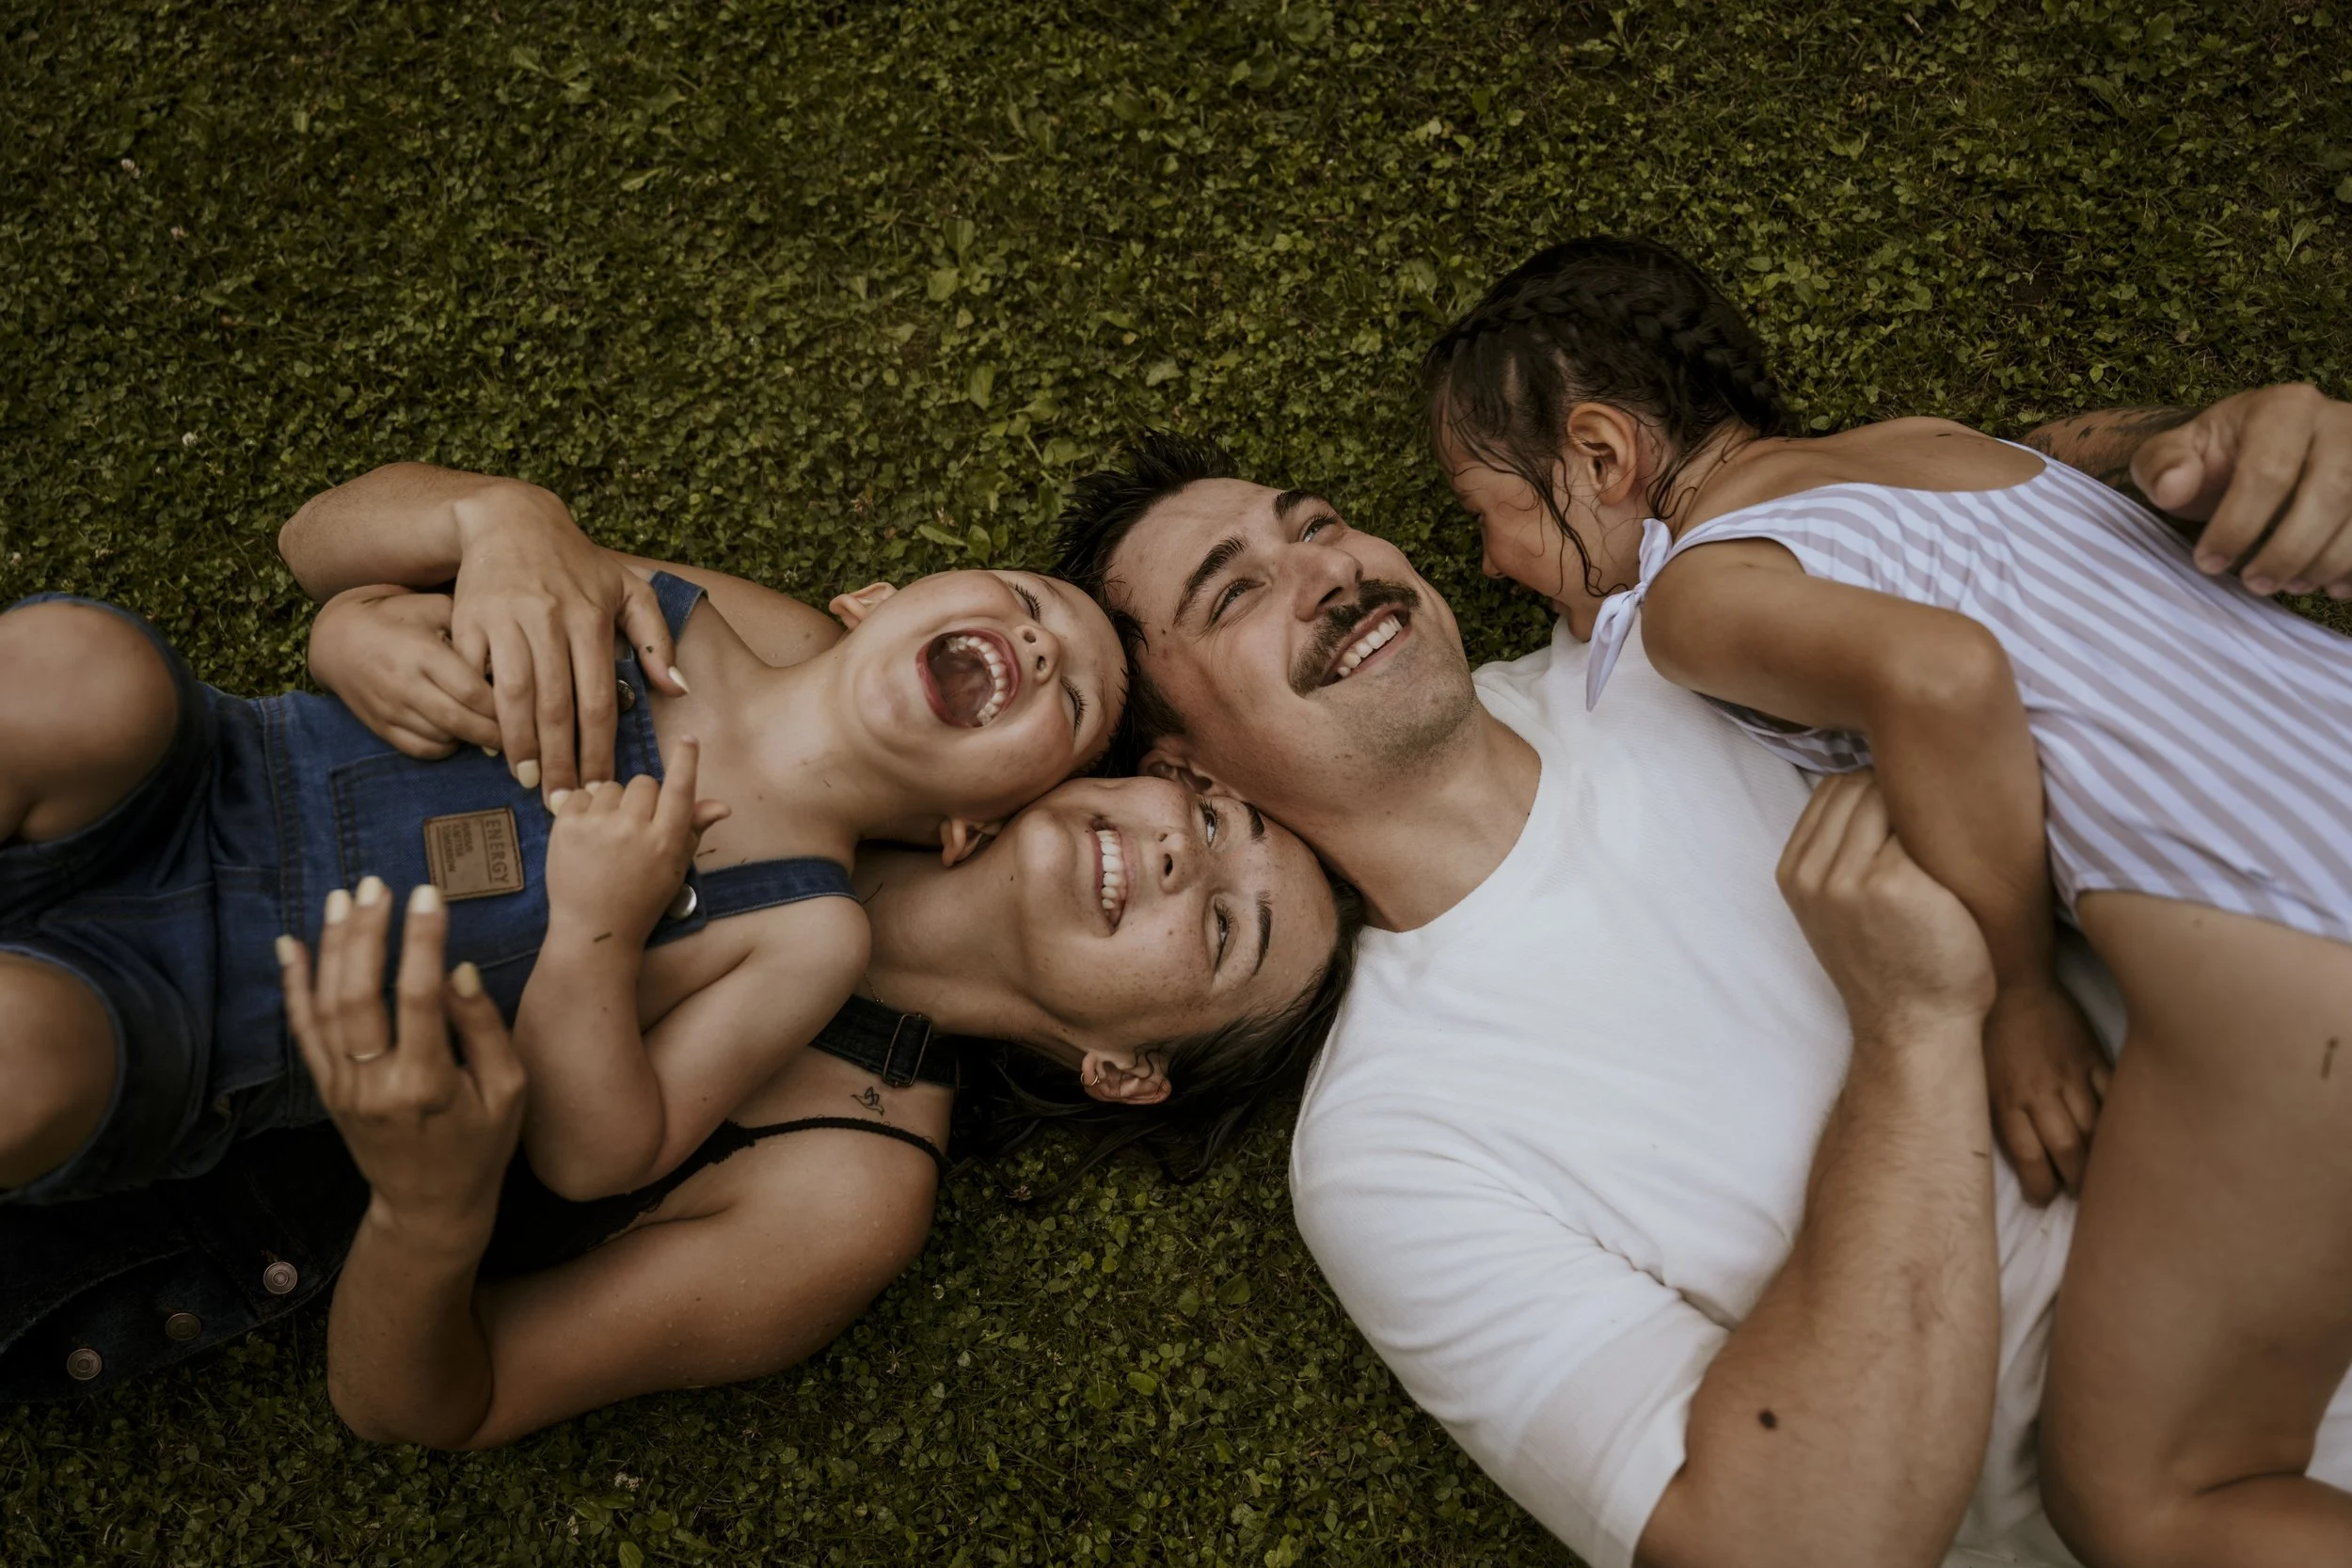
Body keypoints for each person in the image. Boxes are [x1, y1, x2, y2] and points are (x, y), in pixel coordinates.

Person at [1048, 373, 2352, 1568]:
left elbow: (1930, 481)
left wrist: (2189, 444)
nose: (1327, 570)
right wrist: (1914, 1030)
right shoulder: (1390, 1144)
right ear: (1187, 769)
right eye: (1234, 594)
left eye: (1317, 521)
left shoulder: (1659, 639)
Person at [1422, 236, 2352, 1568]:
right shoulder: (1944, 442)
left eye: (1484, 509)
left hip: (2279, 943)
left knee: (2153, 1499)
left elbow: (1945, 679)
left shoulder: (1704, 589)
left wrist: (2021, 995)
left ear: (1601, 452)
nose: (1496, 562)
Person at [1, 547, 1361, 1436]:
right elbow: (402, 564)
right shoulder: (761, 659)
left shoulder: (843, 1190)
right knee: (82, 681)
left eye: (1225, 930)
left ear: (1123, 1062)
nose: (1183, 847)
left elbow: (431, 1400)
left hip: (139, 1061)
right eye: (1197, 806)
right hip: (153, 795)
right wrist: (401, 592)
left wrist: (433, 1201)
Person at [0, 461, 1130, 1209]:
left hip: (204, 1017)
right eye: (1029, 601)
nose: (1038, 649)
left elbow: (598, 1155)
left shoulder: (806, 927)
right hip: (206, 781)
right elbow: (317, 541)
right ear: (875, 598)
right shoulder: (664, 609)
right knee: (88, 678)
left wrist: (597, 923)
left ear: (967, 827)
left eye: (1070, 700)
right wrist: (380, 614)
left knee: (29, 1050)